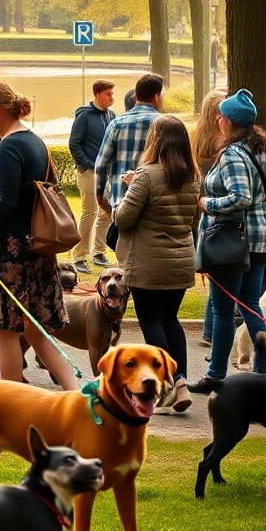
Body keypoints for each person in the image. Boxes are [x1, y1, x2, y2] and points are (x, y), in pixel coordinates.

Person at [0, 82, 78, 390]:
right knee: (38, 334)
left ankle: (10, 404)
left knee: (5, 335)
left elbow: (5, 203)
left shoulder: (8, 147)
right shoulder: (36, 142)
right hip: (38, 248)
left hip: (11, 252)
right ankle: (76, 395)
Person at [190, 90, 266, 392]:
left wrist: (207, 204)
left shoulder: (231, 154)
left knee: (224, 311)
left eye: (221, 116)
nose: (217, 119)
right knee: (251, 304)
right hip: (263, 240)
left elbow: (240, 197)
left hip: (233, 242)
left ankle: (215, 374)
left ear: (229, 123)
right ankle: (262, 372)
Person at [112, 115, 199, 414]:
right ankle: (182, 381)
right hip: (181, 260)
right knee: (171, 320)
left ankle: (168, 384)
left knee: (151, 322)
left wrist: (120, 198)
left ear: (156, 140)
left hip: (149, 262)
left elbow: (124, 218)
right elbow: (191, 219)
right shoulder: (192, 176)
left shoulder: (146, 175)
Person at [95, 74, 165, 257]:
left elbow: (101, 165)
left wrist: (100, 196)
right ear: (157, 96)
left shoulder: (116, 123)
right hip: (154, 202)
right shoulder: (164, 124)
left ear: (135, 95)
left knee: (124, 259)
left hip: (121, 201)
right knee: (149, 259)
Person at [68, 79, 116, 273]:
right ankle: (79, 256)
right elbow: (74, 144)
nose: (112, 97)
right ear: (97, 95)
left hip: (108, 173)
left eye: (112, 93)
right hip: (89, 173)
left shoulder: (112, 115)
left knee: (107, 212)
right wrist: (89, 165)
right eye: (108, 94)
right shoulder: (84, 116)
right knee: (90, 212)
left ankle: (98, 252)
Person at [194, 88, 228, 347]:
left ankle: (212, 327)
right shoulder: (221, 142)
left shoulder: (196, 136)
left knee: (214, 270)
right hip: (214, 206)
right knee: (219, 272)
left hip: (201, 209)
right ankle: (211, 328)